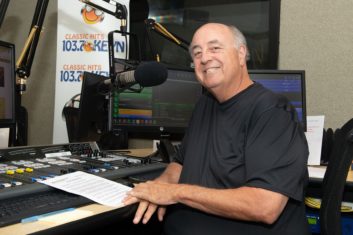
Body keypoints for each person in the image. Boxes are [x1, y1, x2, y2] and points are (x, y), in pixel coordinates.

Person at [123, 22, 310, 235]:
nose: (204, 58)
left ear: (241, 54)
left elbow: (264, 205)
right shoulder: (205, 104)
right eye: (197, 52)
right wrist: (158, 187)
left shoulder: (272, 112)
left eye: (215, 48)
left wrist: (175, 193)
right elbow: (181, 164)